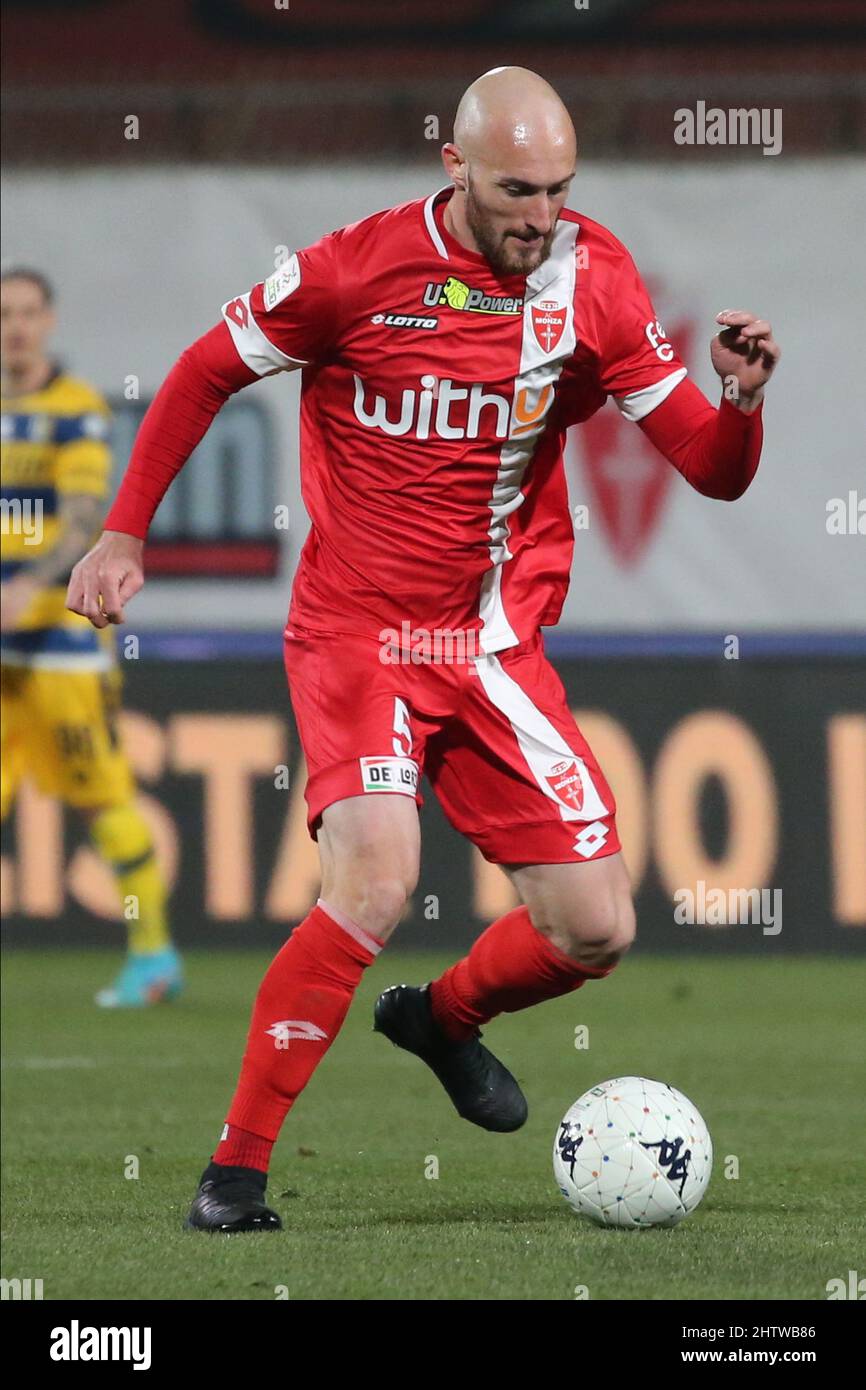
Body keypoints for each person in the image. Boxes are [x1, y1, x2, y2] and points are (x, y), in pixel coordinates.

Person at [66, 67, 779, 1231]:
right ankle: (234, 1177)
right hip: (357, 633)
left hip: (493, 645)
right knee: (379, 876)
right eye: (514, 189)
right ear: (451, 165)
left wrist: (739, 404)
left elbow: (706, 467)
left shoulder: (592, 279)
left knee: (597, 928)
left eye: (557, 189)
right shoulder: (350, 271)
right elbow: (203, 368)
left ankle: (441, 1018)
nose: (538, 215)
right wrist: (123, 531)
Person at [1, 267, 183, 1008]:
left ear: (49, 321)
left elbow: (83, 519)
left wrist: (28, 583)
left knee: (101, 799)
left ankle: (153, 956)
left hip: (61, 649)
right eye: (4, 313)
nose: (15, 326)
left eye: (28, 313)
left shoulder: (75, 412)